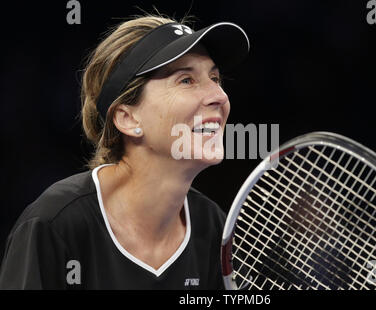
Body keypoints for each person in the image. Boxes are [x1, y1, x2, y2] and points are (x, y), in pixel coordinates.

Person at [0, 14, 249, 289]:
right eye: (186, 80)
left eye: (215, 77)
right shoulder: (54, 227)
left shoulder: (214, 228)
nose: (219, 96)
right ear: (128, 119)